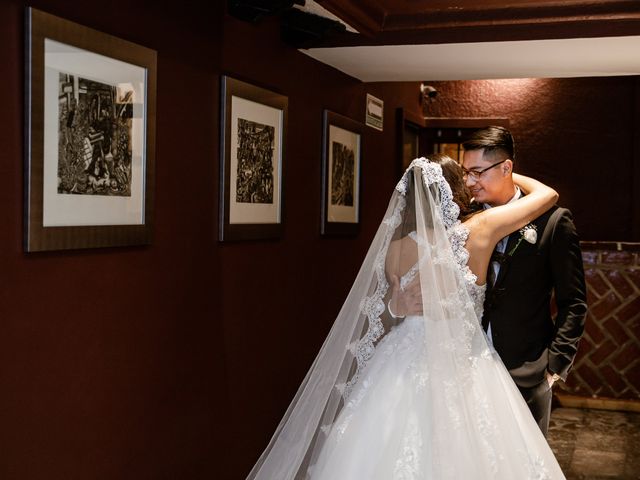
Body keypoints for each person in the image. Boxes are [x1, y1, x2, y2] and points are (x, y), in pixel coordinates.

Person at [247, 154, 566, 479]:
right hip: (464, 358)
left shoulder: (396, 249)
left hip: (401, 356)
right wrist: (504, 174)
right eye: (466, 178)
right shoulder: (480, 231)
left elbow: (388, 310)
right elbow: (547, 196)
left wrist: (396, 307)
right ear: (455, 189)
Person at [461, 126, 587, 435]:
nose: (469, 182)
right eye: (466, 173)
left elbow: (574, 302)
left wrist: (555, 366)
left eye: (478, 172)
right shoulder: (464, 218)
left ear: (506, 168)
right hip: (466, 364)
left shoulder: (553, 222)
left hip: (528, 370)